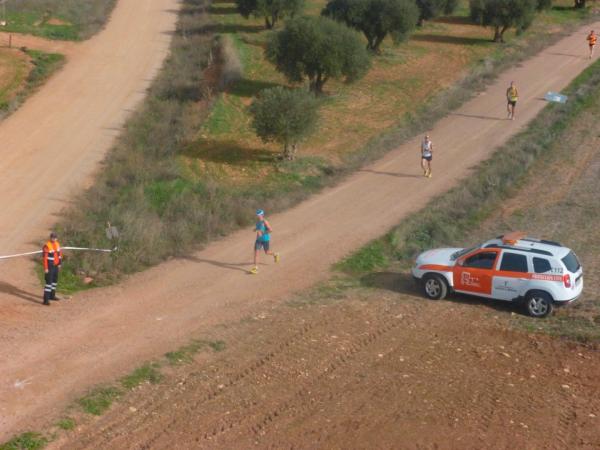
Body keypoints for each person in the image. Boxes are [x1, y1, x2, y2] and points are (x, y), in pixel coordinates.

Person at [250, 209, 279, 274]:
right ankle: (255, 268)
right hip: (258, 240)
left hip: (265, 239)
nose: (258, 216)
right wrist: (255, 229)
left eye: (259, 215)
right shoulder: (257, 222)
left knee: (267, 252)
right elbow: (258, 228)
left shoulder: (265, 222)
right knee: (256, 253)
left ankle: (276, 254)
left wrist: (263, 233)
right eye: (257, 215)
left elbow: (271, 230)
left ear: (262, 215)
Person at [42, 232, 63, 305]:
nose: (54, 238)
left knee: (54, 281)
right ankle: (46, 300)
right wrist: (46, 268)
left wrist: (60, 264)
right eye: (52, 237)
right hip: (50, 267)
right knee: (48, 283)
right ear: (50, 238)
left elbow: (59, 255)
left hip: (56, 266)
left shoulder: (57, 244)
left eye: (55, 237)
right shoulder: (46, 246)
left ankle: (52, 296)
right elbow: (44, 258)